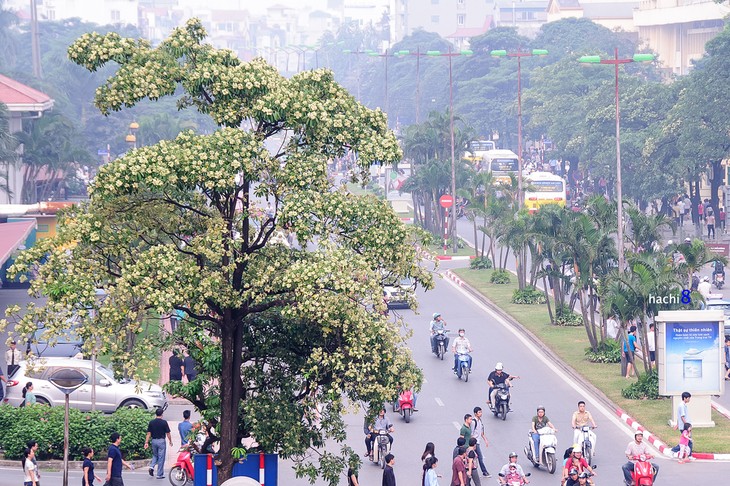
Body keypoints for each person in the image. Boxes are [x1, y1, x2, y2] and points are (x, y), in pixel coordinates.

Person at [144, 408, 173, 479]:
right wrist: (170, 441)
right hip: (161, 441)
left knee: (155, 455)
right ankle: (159, 474)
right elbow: (168, 433)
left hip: (154, 440)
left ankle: (151, 466)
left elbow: (148, 433)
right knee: (161, 457)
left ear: (156, 414)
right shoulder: (164, 422)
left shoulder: (151, 422)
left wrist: (146, 442)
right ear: (162, 414)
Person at [672, 391, 694, 459]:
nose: (689, 399)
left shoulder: (683, 405)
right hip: (685, 427)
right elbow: (682, 417)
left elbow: (679, 416)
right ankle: (675, 450)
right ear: (685, 398)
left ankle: (688, 455)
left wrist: (677, 424)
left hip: (684, 426)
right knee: (687, 441)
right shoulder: (682, 406)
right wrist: (687, 426)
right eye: (688, 398)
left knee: (686, 441)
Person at [470, 407, 491, 477]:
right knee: (480, 457)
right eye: (479, 412)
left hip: (478, 442)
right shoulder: (473, 422)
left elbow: (481, 433)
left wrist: (486, 440)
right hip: (475, 443)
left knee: (475, 457)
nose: (481, 413)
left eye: (481, 412)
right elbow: (471, 434)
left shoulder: (480, 421)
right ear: (475, 413)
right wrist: (473, 444)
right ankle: (484, 472)